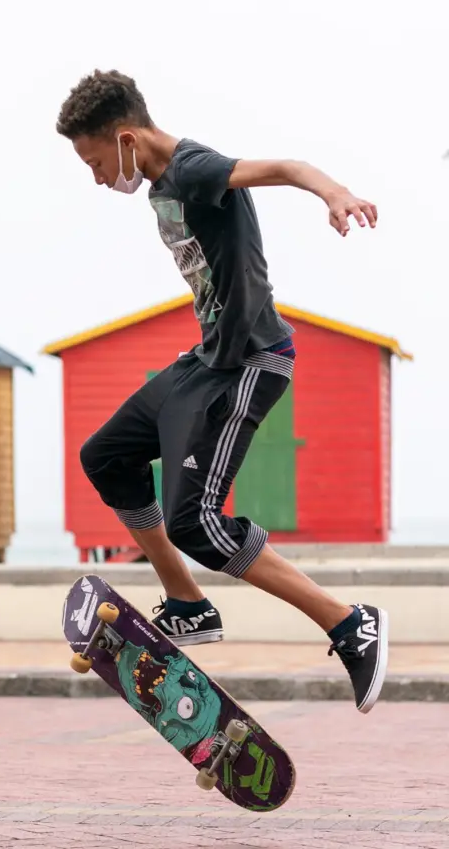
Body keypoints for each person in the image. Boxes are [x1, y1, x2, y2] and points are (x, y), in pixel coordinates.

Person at [55, 69, 388, 714]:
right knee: (106, 456)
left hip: (250, 363)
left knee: (195, 522)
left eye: (96, 162)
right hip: (206, 360)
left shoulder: (193, 168)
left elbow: (287, 166)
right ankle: (186, 603)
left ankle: (349, 622)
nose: (98, 179)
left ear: (126, 138)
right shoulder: (160, 184)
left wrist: (335, 193)